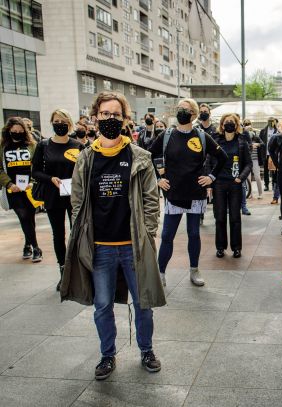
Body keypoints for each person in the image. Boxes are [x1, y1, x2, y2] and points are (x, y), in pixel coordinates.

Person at [61, 91, 165, 381]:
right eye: (105, 114)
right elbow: (78, 202)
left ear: (124, 119)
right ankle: (107, 355)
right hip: (100, 249)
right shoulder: (86, 159)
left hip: (134, 246)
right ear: (95, 119)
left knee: (143, 303)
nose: (110, 119)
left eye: (116, 115)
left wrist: (148, 233)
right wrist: (80, 237)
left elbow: (150, 200)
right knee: (102, 305)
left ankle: (146, 350)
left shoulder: (139, 157)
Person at [150, 98, 227, 287]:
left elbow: (222, 157)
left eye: (185, 109)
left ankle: (194, 270)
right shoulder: (167, 135)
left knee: (194, 234)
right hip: (173, 193)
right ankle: (160, 273)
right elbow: (149, 155)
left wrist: (211, 177)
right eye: (179, 109)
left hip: (195, 193)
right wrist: (158, 179)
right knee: (167, 235)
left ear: (193, 114)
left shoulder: (201, 136)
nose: (181, 112)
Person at [31, 109, 82, 290]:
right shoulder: (43, 145)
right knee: (58, 235)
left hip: (74, 196)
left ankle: (78, 271)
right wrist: (50, 178)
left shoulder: (78, 145)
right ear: (52, 123)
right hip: (53, 195)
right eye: (56, 121)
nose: (60, 124)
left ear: (69, 123)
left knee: (77, 234)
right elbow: (35, 171)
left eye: (63, 120)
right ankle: (63, 272)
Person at [207, 113, 252, 259]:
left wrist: (241, 178)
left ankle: (236, 248)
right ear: (222, 125)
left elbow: (248, 163)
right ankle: (220, 247)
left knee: (235, 218)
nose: (229, 124)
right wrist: (209, 181)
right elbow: (208, 161)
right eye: (227, 122)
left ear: (237, 124)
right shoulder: (216, 141)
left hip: (235, 184)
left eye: (232, 122)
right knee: (219, 217)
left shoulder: (241, 141)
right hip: (219, 183)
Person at [0, 117, 41, 262]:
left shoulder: (32, 145)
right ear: (8, 131)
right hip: (13, 189)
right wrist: (9, 184)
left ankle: (27, 244)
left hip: (29, 188)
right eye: (14, 131)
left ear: (24, 131)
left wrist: (32, 182)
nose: (17, 133)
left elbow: (38, 165)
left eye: (20, 131)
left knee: (30, 217)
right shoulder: (3, 147)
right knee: (23, 216)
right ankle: (36, 248)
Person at [244, 119, 264, 199]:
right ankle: (250, 193)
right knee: (248, 178)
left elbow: (263, 144)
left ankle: (260, 193)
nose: (247, 125)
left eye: (248, 124)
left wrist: (257, 144)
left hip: (255, 160)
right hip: (248, 160)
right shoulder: (243, 138)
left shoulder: (256, 137)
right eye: (245, 124)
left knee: (257, 176)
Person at [259, 117, 278, 191]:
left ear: (274, 122)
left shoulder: (277, 131)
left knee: (273, 170)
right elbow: (260, 141)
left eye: (272, 121)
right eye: (269, 121)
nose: (271, 123)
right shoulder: (263, 131)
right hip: (265, 153)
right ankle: (266, 185)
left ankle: (274, 184)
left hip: (273, 154)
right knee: (266, 170)